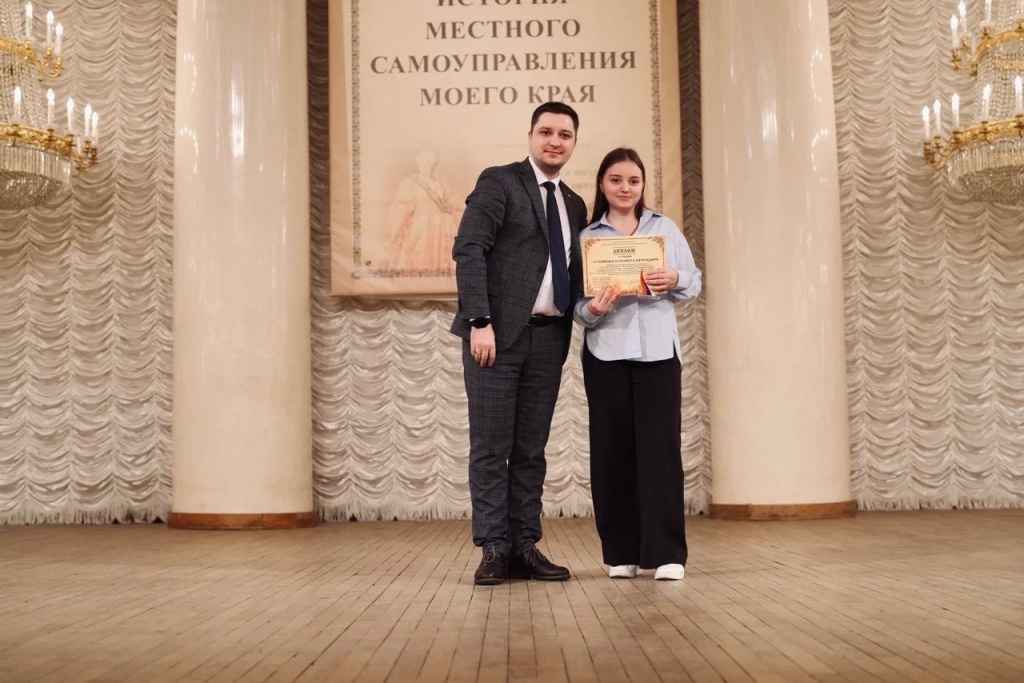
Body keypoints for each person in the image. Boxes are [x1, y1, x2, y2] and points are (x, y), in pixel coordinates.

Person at [451, 102, 588, 586]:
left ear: (574, 143)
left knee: (531, 450)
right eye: (546, 131)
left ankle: (524, 545)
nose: (555, 141)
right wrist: (479, 320)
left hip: (549, 339)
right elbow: (469, 248)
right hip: (496, 337)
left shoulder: (574, 204)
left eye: (565, 134)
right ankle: (494, 548)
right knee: (491, 448)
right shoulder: (500, 182)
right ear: (530, 136)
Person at [574, 147, 702, 581]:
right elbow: (577, 309)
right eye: (616, 180)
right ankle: (620, 553)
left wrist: (675, 278)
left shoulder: (663, 228)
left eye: (633, 180)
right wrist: (593, 308)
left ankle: (667, 554)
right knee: (611, 453)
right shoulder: (587, 237)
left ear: (643, 185)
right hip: (605, 355)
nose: (625, 188)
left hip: (659, 355)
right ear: (602, 184)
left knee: (660, 453)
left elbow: (693, 281)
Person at [388, 149, 462, 274]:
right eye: (422, 160)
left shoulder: (439, 184)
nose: (424, 164)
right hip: (419, 228)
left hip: (440, 230)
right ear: (417, 162)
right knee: (419, 258)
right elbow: (400, 206)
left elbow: (456, 203)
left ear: (433, 164)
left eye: (428, 161)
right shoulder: (409, 183)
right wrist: (401, 221)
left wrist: (449, 208)